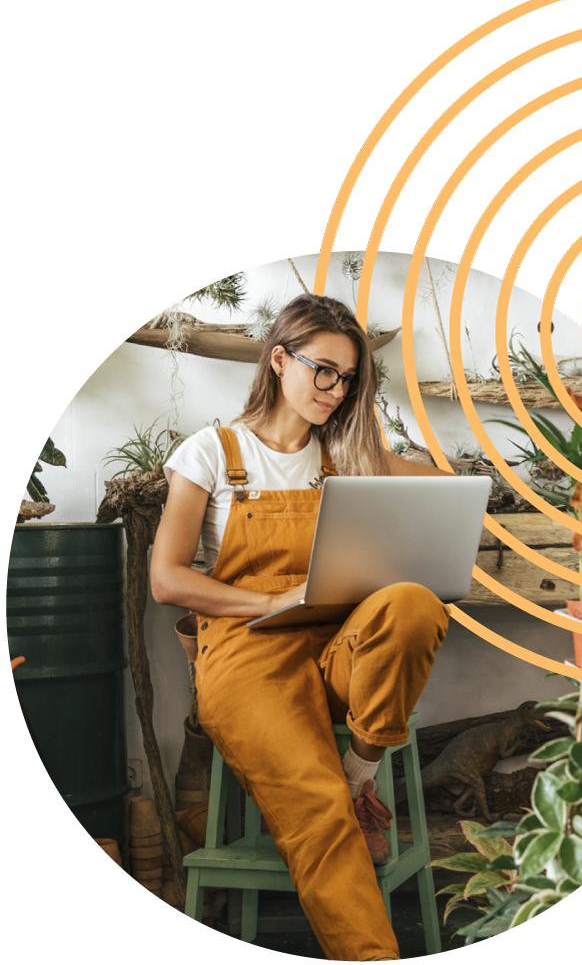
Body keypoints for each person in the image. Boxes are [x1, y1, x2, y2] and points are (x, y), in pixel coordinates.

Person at [150, 293, 454, 962]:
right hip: (245, 656)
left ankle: (357, 769)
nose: (335, 389)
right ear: (279, 359)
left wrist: (369, 438)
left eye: (348, 379)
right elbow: (167, 580)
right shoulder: (212, 451)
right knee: (317, 810)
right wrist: (269, 602)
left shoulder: (344, 458)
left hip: (338, 648)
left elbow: (447, 492)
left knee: (414, 603)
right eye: (324, 371)